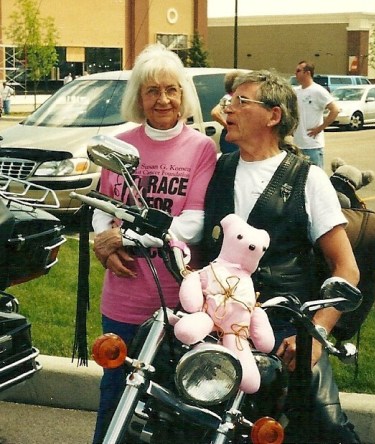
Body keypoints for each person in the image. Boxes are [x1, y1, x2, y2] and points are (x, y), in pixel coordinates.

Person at [202, 70, 361, 443]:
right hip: (217, 327)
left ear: (274, 116)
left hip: (287, 332)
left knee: (327, 427)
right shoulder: (218, 169)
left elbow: (346, 269)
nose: (229, 109)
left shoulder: (308, 178)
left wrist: (317, 334)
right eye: (229, 101)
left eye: (242, 102)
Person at [91, 43, 217, 443]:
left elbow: (193, 224)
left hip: (178, 302)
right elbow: (102, 209)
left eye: (171, 89)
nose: (162, 99)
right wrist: (102, 240)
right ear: (138, 97)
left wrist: (124, 237)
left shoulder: (201, 148)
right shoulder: (118, 143)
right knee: (113, 396)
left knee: (169, 407)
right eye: (151, 91)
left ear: (183, 94)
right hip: (124, 298)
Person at [293, 60, 339, 169]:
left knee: (315, 177)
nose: (295, 74)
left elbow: (335, 110)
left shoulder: (318, 91)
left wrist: (320, 128)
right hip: (297, 145)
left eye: (298, 71)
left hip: (312, 146)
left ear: (307, 73)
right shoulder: (296, 91)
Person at [210, 70, 242, 153]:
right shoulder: (229, 99)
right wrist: (228, 126)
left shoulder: (230, 98)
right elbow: (215, 112)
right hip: (231, 138)